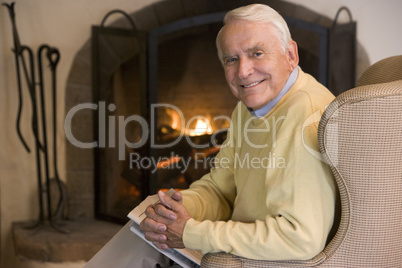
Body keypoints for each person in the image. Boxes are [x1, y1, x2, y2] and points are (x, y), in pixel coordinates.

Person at [85, 3, 336, 267]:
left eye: (257, 53)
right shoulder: (251, 107)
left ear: (291, 54)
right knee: (144, 231)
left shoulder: (306, 116)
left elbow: (302, 239)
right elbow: (221, 188)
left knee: (136, 250)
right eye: (231, 59)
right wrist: (178, 211)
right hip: (242, 243)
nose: (243, 71)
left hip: (270, 261)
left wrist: (190, 233)